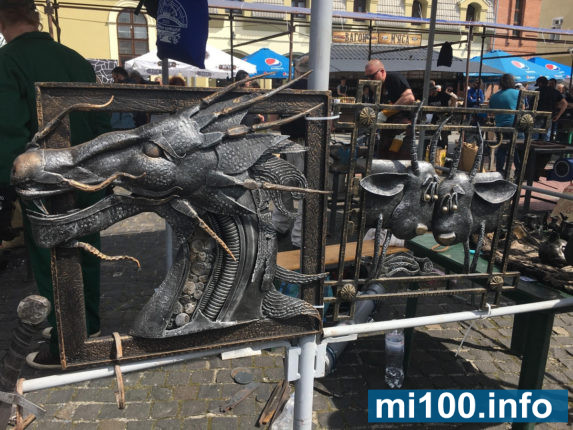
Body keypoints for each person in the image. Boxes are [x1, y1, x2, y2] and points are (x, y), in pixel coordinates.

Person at [0, 0, 109, 368]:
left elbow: (8, 132)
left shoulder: (7, 62)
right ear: (35, 17)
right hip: (86, 174)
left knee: (53, 259)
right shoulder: (75, 59)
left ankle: (67, 342)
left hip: (43, 182)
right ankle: (88, 327)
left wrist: (9, 185)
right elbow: (101, 121)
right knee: (88, 252)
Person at [364, 59, 415, 159]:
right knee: (383, 154)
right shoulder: (375, 86)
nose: (370, 80)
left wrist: (386, 113)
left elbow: (409, 98)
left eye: (372, 76)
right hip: (386, 126)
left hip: (402, 124)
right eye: (367, 77)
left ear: (382, 71)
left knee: (398, 155)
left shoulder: (394, 78)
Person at [489, 74, 522, 173]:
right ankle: (519, 170)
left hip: (500, 126)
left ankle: (499, 170)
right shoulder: (518, 93)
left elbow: (491, 112)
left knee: (502, 148)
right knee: (517, 148)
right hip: (515, 125)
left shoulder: (494, 96)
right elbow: (523, 109)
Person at [535, 76, 567, 141]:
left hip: (538, 115)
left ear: (540, 83)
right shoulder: (555, 92)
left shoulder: (537, 91)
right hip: (549, 116)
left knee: (534, 136)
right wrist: (558, 116)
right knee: (546, 137)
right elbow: (565, 104)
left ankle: (532, 147)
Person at [427, 83, 452, 148]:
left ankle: (445, 149)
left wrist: (451, 109)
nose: (431, 92)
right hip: (434, 117)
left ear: (435, 90)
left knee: (444, 134)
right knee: (435, 134)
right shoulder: (429, 97)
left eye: (432, 90)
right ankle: (437, 148)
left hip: (444, 117)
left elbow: (453, 99)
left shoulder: (443, 95)